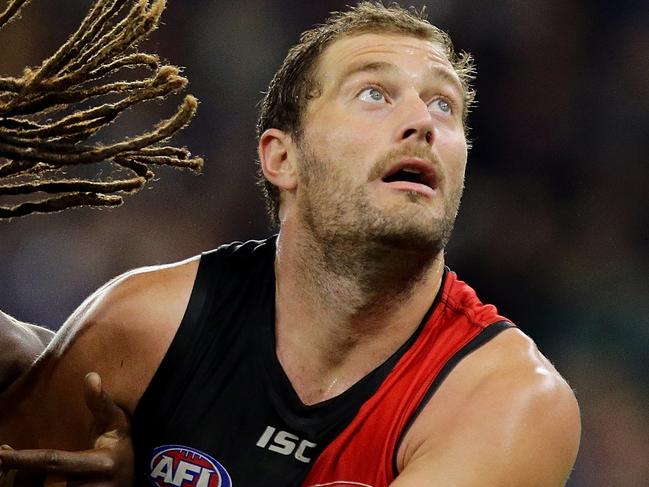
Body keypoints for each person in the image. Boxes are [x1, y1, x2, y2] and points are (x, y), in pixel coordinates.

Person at [0, 2, 581, 486]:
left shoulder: (508, 401)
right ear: (282, 157)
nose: (422, 123)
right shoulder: (142, 327)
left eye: (443, 105)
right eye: (374, 94)